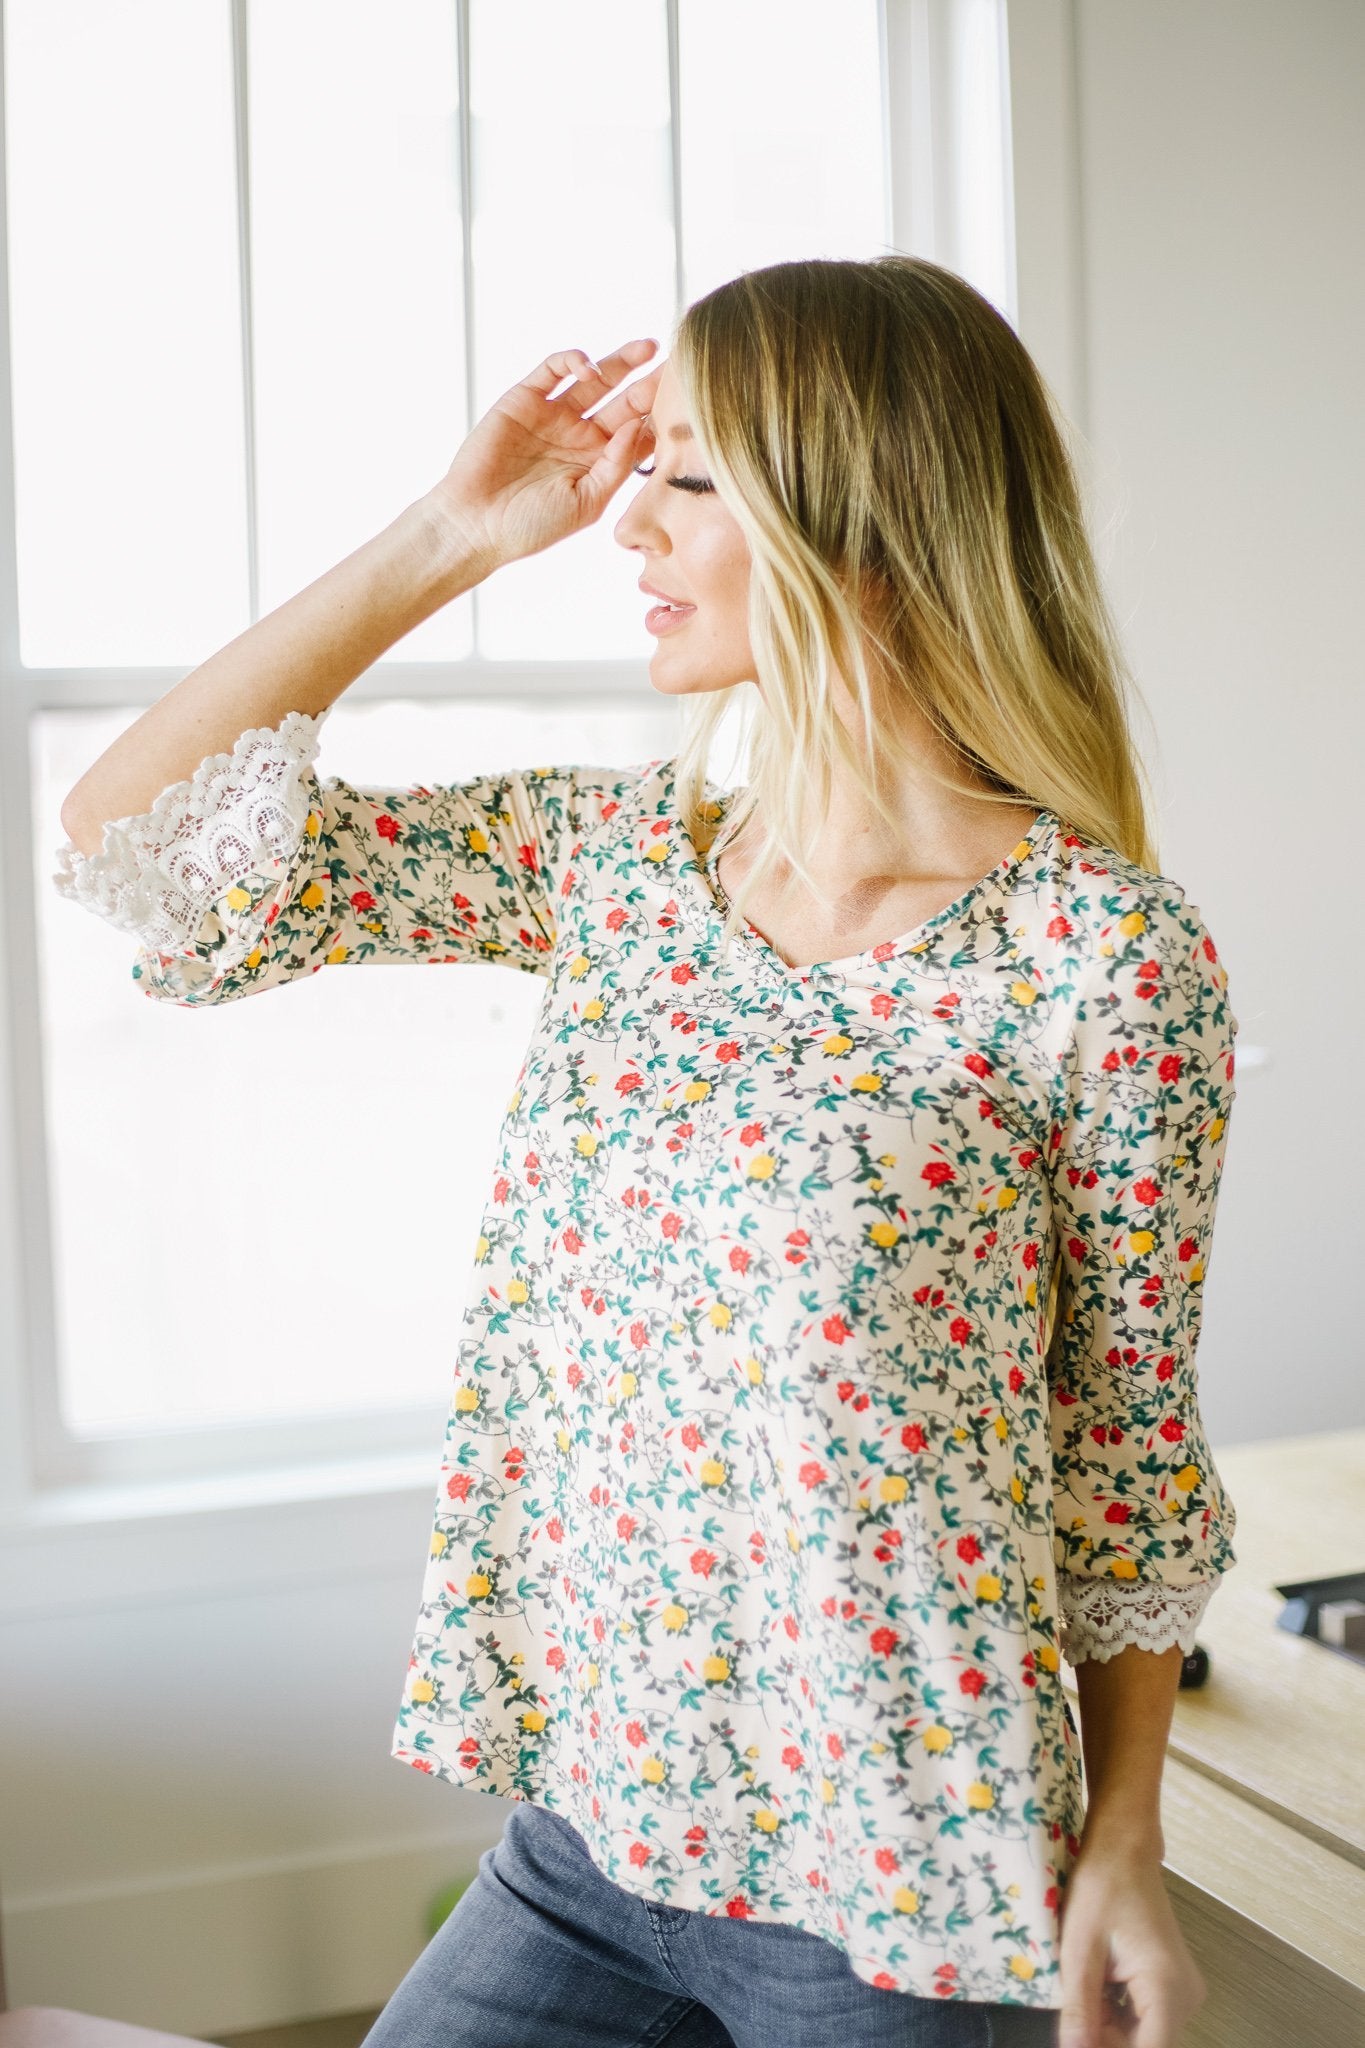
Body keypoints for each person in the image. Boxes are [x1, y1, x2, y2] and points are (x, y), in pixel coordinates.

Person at [55, 257, 1237, 2048]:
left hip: (902, 1889)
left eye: (686, 476)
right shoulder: (613, 870)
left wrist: (1128, 1840)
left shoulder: (1102, 960)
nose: (624, 518)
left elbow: (1126, 1462)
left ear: (864, 521)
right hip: (586, 1839)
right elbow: (140, 850)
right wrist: (449, 535)